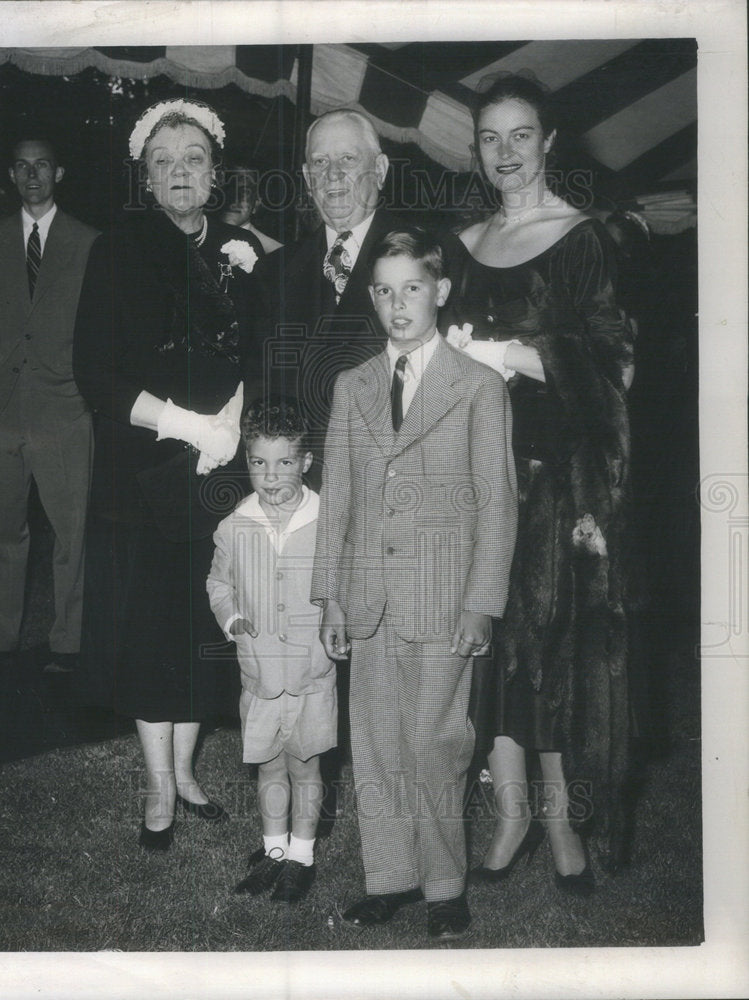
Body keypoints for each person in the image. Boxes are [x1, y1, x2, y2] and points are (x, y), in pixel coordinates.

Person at [441, 73, 637, 891]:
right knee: (487, 651)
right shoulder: (461, 243)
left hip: (552, 475)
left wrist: (511, 356)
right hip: (470, 474)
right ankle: (511, 810)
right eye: (489, 138)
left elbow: (616, 366)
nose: (504, 153)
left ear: (549, 142)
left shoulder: (584, 237)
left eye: (520, 135)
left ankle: (560, 820)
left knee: (549, 649)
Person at [311, 228, 518, 942]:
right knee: (372, 742)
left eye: (412, 288)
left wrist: (481, 604)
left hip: (441, 597)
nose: (397, 305)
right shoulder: (353, 385)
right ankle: (389, 878)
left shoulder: (477, 387)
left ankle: (443, 885)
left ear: (441, 291)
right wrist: (330, 595)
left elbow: (497, 501)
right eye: (383, 290)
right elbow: (335, 497)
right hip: (367, 595)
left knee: (435, 742)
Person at [73, 99, 264, 850]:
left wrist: (232, 429)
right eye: (163, 162)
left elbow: (261, 353)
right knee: (152, 631)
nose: (179, 172)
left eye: (193, 158)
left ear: (215, 172)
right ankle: (156, 783)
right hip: (144, 468)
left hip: (218, 471)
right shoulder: (117, 249)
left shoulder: (243, 249)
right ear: (145, 179)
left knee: (199, 625)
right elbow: (95, 373)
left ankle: (186, 770)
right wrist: (191, 427)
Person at [207, 397, 336, 903]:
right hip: (259, 673)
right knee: (268, 765)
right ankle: (273, 851)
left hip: (309, 672)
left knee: (305, 765)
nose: (271, 475)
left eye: (284, 462)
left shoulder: (326, 522)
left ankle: (301, 857)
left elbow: (339, 588)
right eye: (259, 463)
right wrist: (232, 618)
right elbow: (219, 583)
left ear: (305, 463)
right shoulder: (236, 525)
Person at [0, 137, 99, 673]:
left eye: (42, 166)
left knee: (71, 533)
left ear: (59, 171)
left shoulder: (88, 242)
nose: (33, 174)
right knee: (3, 529)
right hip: (1, 410)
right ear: (12, 175)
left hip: (64, 408)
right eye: (22, 166)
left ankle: (68, 644)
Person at [252, 108, 407, 481]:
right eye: (320, 161)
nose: (333, 174)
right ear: (307, 178)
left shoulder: (427, 257)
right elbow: (262, 400)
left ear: (381, 170)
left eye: (348, 159)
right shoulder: (272, 274)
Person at [218, 165, 283, 254]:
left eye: (244, 191)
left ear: (256, 203)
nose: (234, 198)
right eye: (229, 188)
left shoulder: (275, 252)